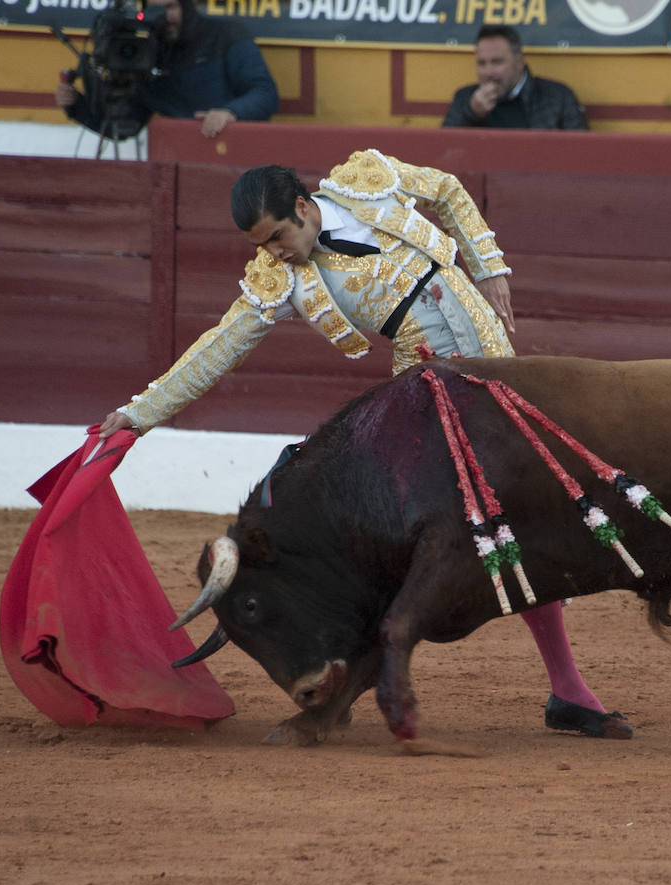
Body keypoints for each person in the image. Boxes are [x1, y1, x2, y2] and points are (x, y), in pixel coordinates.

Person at [98, 149, 631, 739]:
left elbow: (449, 189)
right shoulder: (283, 279)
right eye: (262, 245)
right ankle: (557, 690)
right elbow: (218, 347)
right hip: (427, 391)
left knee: (516, 520)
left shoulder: (365, 183)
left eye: (278, 236)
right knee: (489, 524)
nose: (273, 252)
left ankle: (561, 691)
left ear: (303, 207)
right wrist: (139, 414)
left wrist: (491, 264)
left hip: (498, 362)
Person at [55, 0, 277, 141]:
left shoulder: (227, 34)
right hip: (182, 160)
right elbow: (124, 127)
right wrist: (77, 106)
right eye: (156, 9)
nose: (165, 17)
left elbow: (265, 93)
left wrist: (230, 113)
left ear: (186, 7)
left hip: (238, 150)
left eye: (171, 7)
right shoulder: (146, 54)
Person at [442, 26, 588, 130]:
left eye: (497, 62)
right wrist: (471, 114)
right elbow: (443, 150)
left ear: (519, 61)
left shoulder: (558, 97)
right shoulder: (465, 99)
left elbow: (581, 152)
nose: (488, 72)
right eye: (481, 63)